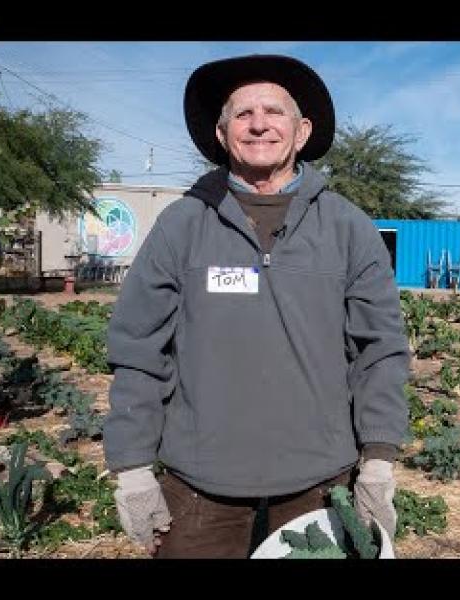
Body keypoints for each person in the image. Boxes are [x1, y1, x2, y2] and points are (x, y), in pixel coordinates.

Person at [102, 54, 410, 558]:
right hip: (198, 487)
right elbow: (139, 351)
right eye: (243, 114)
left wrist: (378, 461)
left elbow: (380, 352)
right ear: (222, 135)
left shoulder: (348, 228)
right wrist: (133, 469)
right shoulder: (181, 226)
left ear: (302, 132)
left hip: (320, 484)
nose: (259, 124)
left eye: (274, 111)